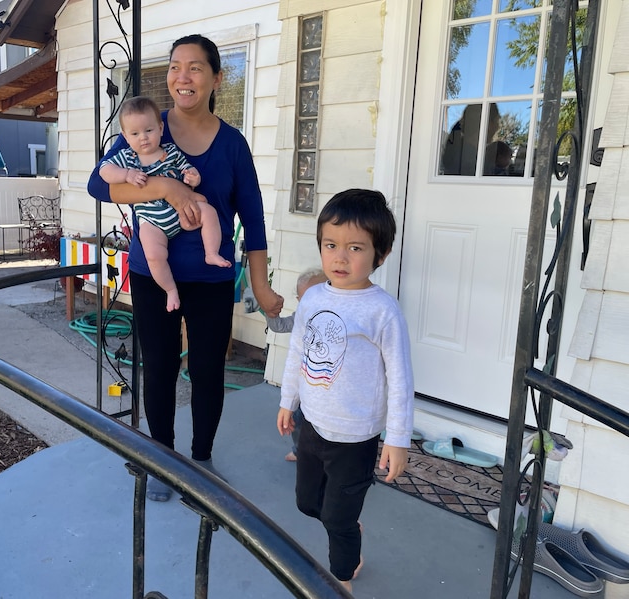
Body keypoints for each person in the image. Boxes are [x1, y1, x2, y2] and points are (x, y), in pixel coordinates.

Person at [88, 34, 284, 502]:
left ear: (217, 79)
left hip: (212, 277)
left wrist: (261, 283)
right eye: (176, 66)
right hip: (152, 274)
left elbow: (253, 217)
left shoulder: (233, 144)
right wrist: (166, 189)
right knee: (158, 367)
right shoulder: (145, 128)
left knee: (208, 369)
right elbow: (100, 184)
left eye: (195, 67)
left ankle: (201, 458)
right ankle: (163, 460)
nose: (183, 76)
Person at [276, 189, 414, 592]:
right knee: (307, 503)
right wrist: (288, 401)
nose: (340, 257)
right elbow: (297, 352)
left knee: (336, 520)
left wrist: (398, 439)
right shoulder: (313, 297)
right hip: (312, 425)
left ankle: (341, 578)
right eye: (331, 245)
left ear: (380, 255)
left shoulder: (382, 310)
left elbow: (401, 379)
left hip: (356, 437)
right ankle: (347, 522)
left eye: (355, 248)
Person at [100, 96, 231, 312]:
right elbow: (104, 172)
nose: (143, 138)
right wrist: (126, 175)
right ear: (125, 136)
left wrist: (193, 178)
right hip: (152, 222)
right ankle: (170, 290)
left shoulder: (170, 151)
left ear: (160, 128)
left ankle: (211, 253)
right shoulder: (127, 158)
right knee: (153, 254)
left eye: (148, 130)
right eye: (135, 134)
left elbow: (188, 170)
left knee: (209, 212)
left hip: (181, 212)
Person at [265, 267, 327, 462]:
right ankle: (300, 450)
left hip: (324, 385)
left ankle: (324, 454)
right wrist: (270, 311)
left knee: (322, 424)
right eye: (302, 299)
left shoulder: (333, 320)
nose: (307, 304)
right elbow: (278, 326)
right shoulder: (300, 317)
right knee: (297, 421)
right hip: (301, 384)